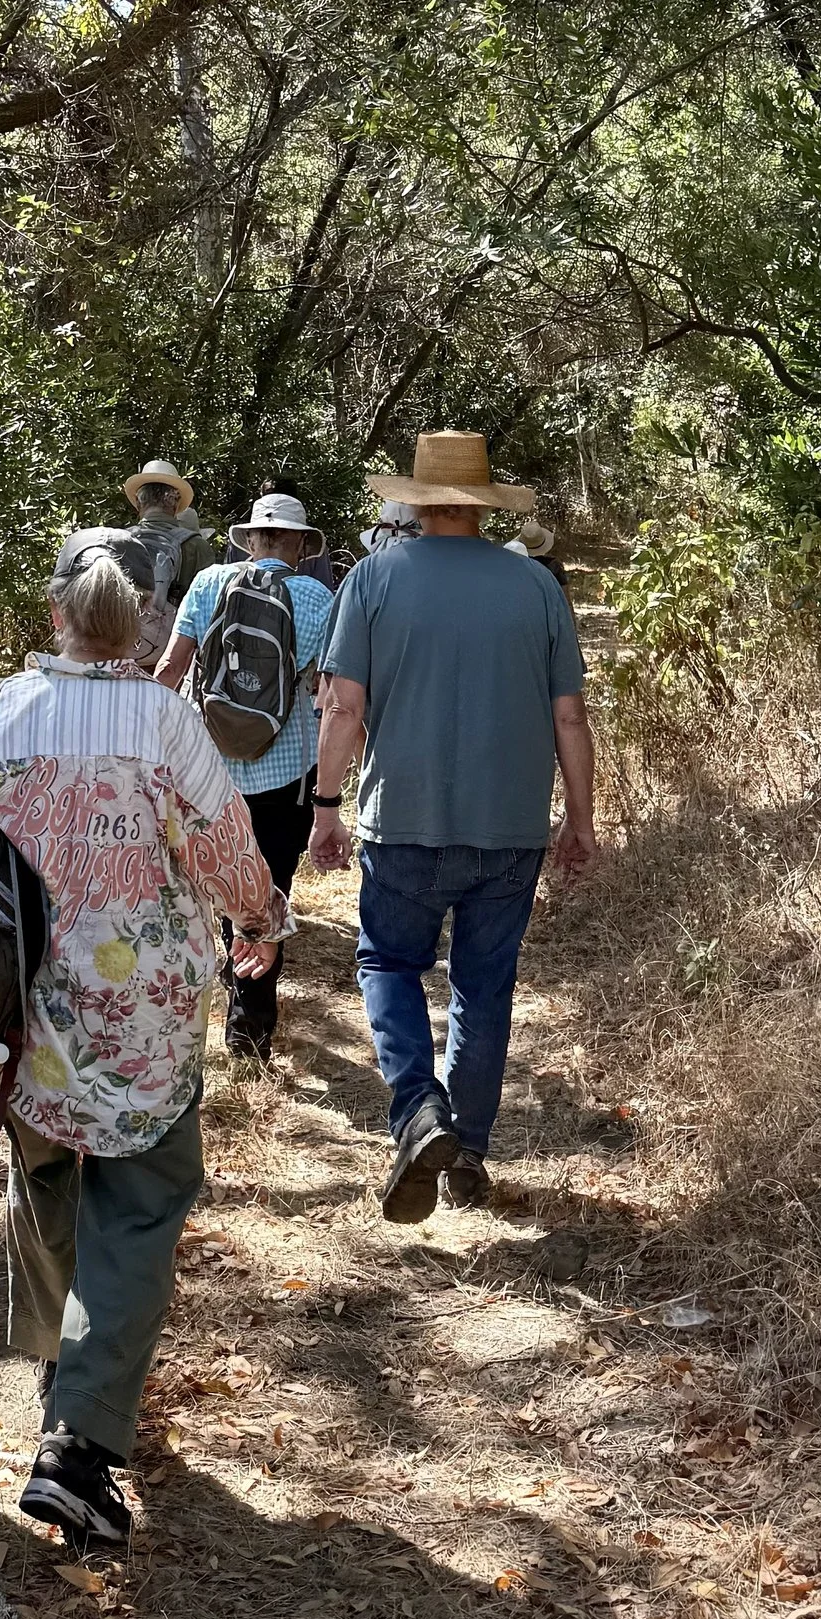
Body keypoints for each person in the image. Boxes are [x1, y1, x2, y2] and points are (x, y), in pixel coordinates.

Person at [0, 529, 294, 1546]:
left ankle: (62, 1366)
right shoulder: (165, 719)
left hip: (25, 997)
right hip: (143, 1012)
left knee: (45, 1176)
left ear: (56, 614)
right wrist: (261, 919)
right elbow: (226, 846)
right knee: (138, 1208)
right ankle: (81, 1444)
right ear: (139, 624)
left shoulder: (3, 708)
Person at [309, 430, 598, 1223]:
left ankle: (418, 1110)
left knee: (388, 962)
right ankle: (467, 1149)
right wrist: (580, 818)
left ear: (418, 501)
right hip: (510, 828)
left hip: (403, 820)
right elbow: (570, 716)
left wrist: (326, 806)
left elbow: (343, 708)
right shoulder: (535, 585)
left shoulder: (372, 579)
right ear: (482, 504)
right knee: (484, 985)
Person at [150, 492, 334, 1062]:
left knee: (198, 884)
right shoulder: (318, 598)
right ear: (301, 545)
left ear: (251, 539)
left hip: (205, 773)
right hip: (286, 773)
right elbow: (329, 692)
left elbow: (170, 668)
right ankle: (249, 1027)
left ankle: (189, 1005)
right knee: (268, 889)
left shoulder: (208, 583)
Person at [121, 460, 220, 670]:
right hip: (173, 662)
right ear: (176, 505)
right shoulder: (198, 547)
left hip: (122, 654)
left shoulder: (119, 541)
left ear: (138, 503)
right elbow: (207, 613)